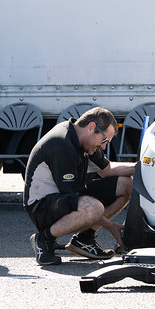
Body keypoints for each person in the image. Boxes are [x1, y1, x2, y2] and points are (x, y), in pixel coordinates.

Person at [23, 106, 135, 265]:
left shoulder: (84, 140)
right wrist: (111, 226)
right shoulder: (61, 145)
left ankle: (84, 240)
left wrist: (140, 168)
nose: (104, 147)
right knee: (92, 208)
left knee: (125, 183)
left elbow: (108, 169)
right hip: (41, 206)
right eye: (104, 141)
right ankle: (44, 239)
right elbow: (74, 197)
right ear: (91, 128)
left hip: (65, 195)